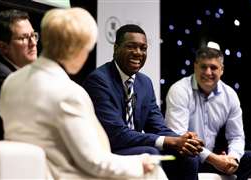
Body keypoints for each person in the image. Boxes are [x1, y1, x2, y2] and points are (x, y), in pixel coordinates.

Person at [0, 8, 168, 180]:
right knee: (152, 170)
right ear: (75, 49)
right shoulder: (69, 93)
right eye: (87, 49)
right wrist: (141, 164)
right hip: (64, 175)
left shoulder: (11, 81)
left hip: (24, 172)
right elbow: (94, 162)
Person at [83, 24, 204, 180]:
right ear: (116, 48)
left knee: (187, 156)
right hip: (108, 149)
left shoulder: (144, 83)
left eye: (143, 48)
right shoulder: (99, 80)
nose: (138, 53)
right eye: (131, 47)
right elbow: (116, 135)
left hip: (134, 146)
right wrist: (171, 141)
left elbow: (157, 127)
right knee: (151, 154)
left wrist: (184, 141)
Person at [165, 41, 251, 179]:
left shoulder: (230, 95)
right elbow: (178, 137)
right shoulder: (179, 90)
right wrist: (214, 159)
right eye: (203, 67)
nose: (208, 72)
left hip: (214, 157)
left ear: (222, 69)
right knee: (189, 158)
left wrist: (232, 159)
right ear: (195, 67)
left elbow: (236, 137)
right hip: (184, 156)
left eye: (213, 67)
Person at [0, 9, 38, 140]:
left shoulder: (18, 74)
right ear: (3, 47)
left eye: (34, 35)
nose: (33, 43)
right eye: (24, 38)